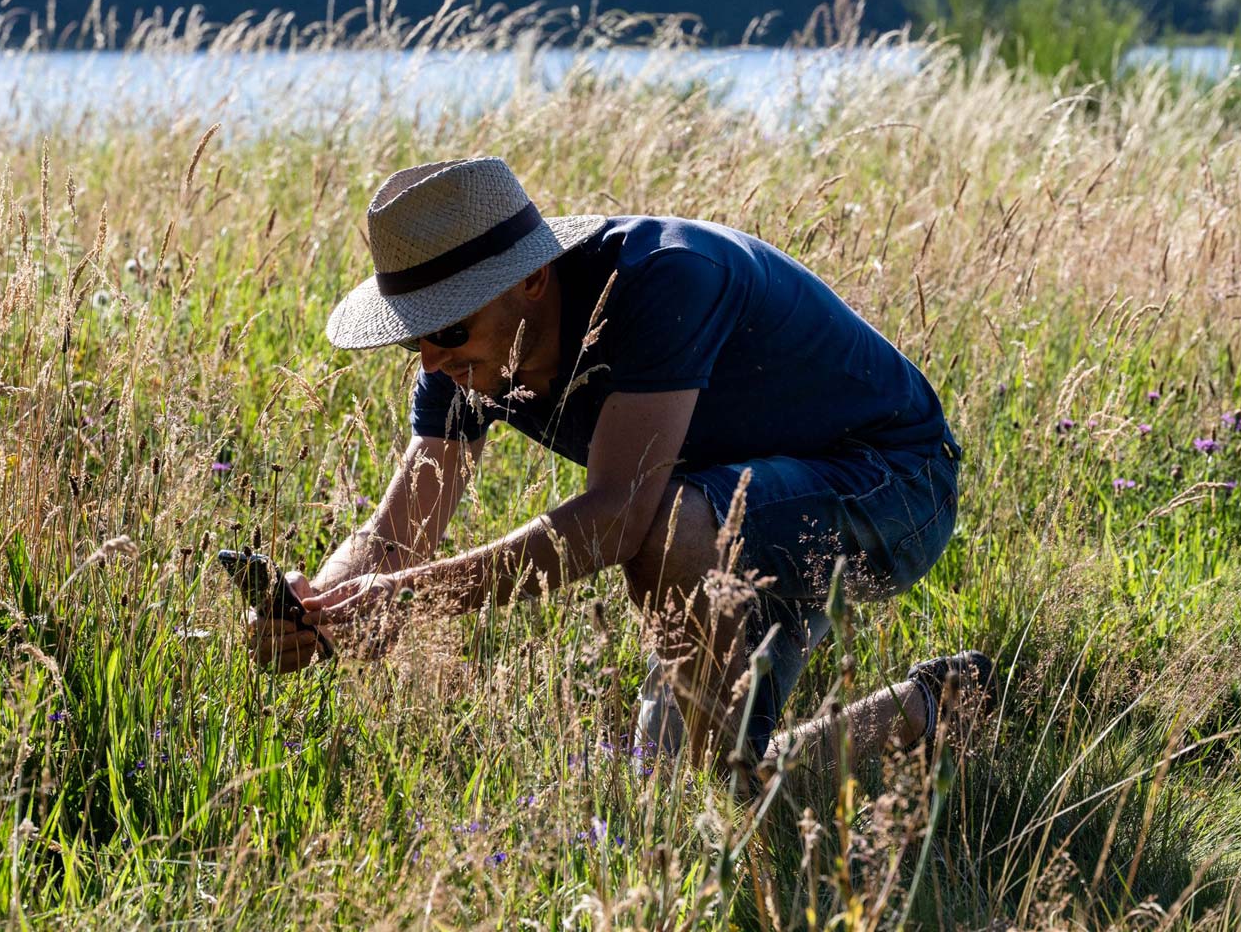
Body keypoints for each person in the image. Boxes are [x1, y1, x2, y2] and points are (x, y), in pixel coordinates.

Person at [249, 156, 994, 783]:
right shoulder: (467, 357)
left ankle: (750, 777)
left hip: (894, 484)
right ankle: (936, 708)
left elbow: (619, 519)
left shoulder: (662, 281)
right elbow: (394, 535)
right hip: (729, 509)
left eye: (448, 328)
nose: (433, 362)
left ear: (532, 280)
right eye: (413, 340)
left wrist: (406, 602)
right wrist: (318, 606)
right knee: (675, 788)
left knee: (670, 530)